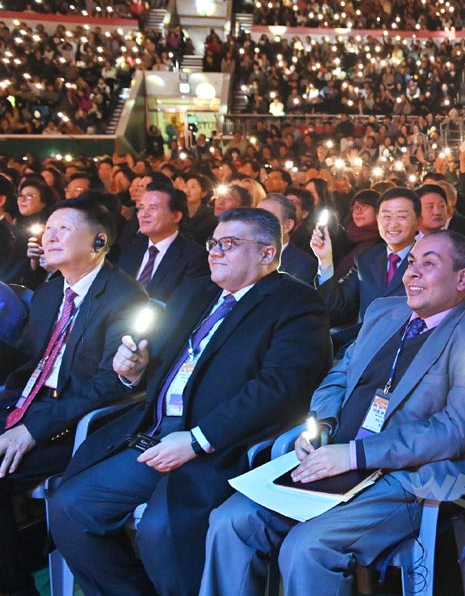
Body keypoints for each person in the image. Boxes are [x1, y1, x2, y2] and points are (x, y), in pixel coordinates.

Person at [201, 231, 465, 596]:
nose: (412, 273)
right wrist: (323, 424)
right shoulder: (384, 312)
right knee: (230, 521)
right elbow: (338, 376)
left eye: (429, 264)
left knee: (307, 547)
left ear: (463, 278)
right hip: (333, 456)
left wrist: (355, 455)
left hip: (405, 476)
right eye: (411, 262)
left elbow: (454, 429)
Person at [49, 208, 332, 596]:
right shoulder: (197, 293)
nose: (215, 251)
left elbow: (279, 388)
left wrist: (199, 439)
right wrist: (134, 369)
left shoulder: (295, 303)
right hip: (155, 435)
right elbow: (158, 361)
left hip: (221, 445)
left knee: (160, 530)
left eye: (229, 244)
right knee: (70, 508)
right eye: (213, 242)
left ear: (267, 253)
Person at [0, 198, 148, 596]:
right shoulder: (50, 292)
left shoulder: (124, 297)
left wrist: (33, 429)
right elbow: (32, 363)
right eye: (48, 228)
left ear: (99, 241)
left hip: (79, 425)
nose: (49, 236)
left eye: (62, 229)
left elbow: (109, 384)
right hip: (29, 406)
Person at [313, 187, 418, 332]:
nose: (393, 224)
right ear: (378, 219)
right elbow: (339, 304)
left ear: (418, 220)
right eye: (386, 216)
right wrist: (325, 260)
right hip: (364, 340)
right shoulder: (366, 258)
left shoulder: (429, 261)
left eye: (402, 216)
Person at [118, 182, 209, 302]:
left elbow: (182, 304)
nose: (143, 214)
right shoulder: (131, 250)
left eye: (153, 208)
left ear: (176, 216)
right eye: (141, 208)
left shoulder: (195, 257)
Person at [258, 193, 317, 284]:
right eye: (257, 217)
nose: (259, 223)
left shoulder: (303, 265)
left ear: (288, 225)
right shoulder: (244, 253)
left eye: (268, 217)